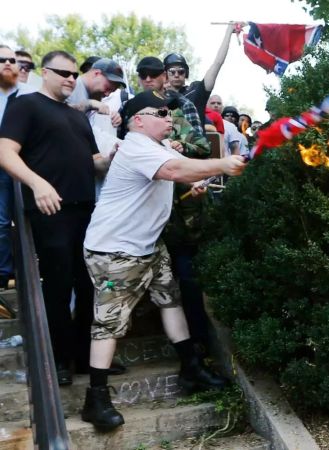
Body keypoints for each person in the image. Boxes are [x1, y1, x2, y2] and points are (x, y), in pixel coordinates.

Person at [80, 90, 245, 430]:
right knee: (109, 322)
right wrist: (222, 163)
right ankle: (95, 399)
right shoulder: (136, 145)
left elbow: (173, 176)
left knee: (171, 301)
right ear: (137, 120)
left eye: (170, 112)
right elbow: (171, 171)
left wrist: (194, 184)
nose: (169, 117)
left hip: (150, 247)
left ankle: (191, 368)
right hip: (115, 251)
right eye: (160, 112)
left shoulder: (158, 148)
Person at [0, 50, 115, 385]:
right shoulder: (26, 105)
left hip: (86, 211)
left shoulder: (77, 117)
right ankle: (59, 360)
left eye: (74, 74)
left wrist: (112, 157)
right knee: (59, 286)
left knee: (89, 285)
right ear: (44, 73)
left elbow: (93, 161)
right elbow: (5, 151)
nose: (70, 79)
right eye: (63, 72)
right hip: (52, 210)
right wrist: (36, 184)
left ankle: (82, 358)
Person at [0, 45, 37, 290]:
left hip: (30, 165)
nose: (8, 63)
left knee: (33, 220)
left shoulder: (30, 94)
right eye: (1, 59)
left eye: (12, 60)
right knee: (2, 222)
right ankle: (4, 275)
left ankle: (37, 271)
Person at [163, 22, 243, 113]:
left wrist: (228, 32)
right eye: (172, 71)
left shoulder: (196, 90)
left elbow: (217, 63)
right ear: (165, 74)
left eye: (181, 71)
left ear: (186, 73)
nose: (176, 75)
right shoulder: (157, 97)